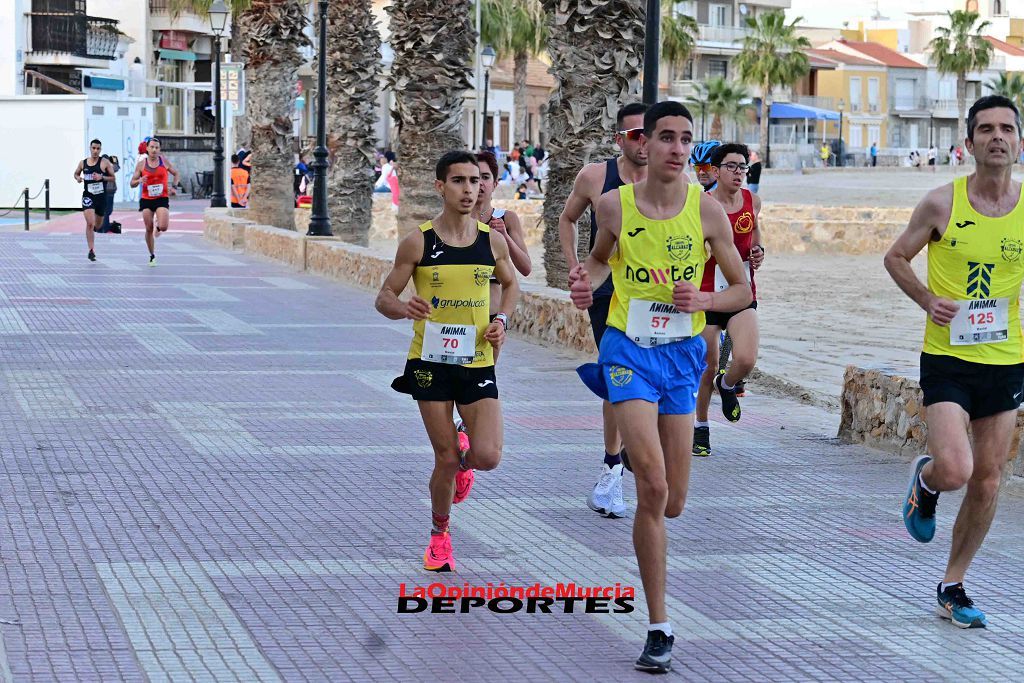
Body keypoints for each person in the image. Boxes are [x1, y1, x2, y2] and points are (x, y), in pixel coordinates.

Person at [570, 101, 751, 672]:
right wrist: (584, 283)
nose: (676, 148)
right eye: (666, 137)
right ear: (643, 144)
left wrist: (706, 300)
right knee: (649, 482)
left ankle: (656, 594)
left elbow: (742, 289)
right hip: (627, 351)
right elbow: (599, 263)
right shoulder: (613, 206)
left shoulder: (708, 214)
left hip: (681, 357)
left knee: (672, 501)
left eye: (686, 139)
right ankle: (658, 623)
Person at [884, 95, 1024, 630]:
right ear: (968, 144)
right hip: (947, 357)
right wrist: (926, 300)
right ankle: (927, 481)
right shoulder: (941, 204)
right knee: (957, 469)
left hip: (1006, 359)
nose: (996, 137)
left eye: (1005, 129)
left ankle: (953, 584)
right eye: (985, 129)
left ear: (1017, 142)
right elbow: (895, 256)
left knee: (989, 480)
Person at [375, 150, 520, 573]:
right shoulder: (418, 240)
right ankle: (439, 537)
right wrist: (406, 309)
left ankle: (465, 455)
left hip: (477, 361)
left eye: (475, 181)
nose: (469, 189)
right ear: (440, 187)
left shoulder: (491, 240)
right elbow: (384, 297)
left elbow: (511, 286)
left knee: (488, 455)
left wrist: (501, 320)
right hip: (430, 363)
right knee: (444, 459)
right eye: (459, 181)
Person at [558, 101, 649, 519]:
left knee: (645, 376)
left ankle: (635, 444)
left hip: (654, 297)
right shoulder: (596, 176)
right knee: (618, 374)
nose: (644, 142)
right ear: (620, 139)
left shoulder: (670, 182)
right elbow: (567, 219)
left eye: (652, 134)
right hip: (607, 292)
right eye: (635, 135)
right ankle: (612, 467)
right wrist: (576, 264)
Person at [692, 143, 764, 457]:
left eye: (743, 168)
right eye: (732, 166)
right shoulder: (701, 205)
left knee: (745, 359)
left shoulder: (752, 201)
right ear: (717, 170)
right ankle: (701, 426)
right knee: (708, 366)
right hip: (708, 295)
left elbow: (755, 236)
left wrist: (759, 252)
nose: (738, 173)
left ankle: (728, 383)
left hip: (741, 293)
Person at [474, 150, 531, 359]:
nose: (480, 183)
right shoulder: (455, 222)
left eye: (485, 177)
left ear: (495, 183)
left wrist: (504, 236)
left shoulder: (506, 218)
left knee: (486, 375)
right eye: (474, 178)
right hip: (459, 312)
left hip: (492, 315)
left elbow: (526, 267)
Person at [129, 137, 180, 266]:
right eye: (151, 147)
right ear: (147, 148)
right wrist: (139, 181)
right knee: (148, 228)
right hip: (147, 199)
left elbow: (176, 174)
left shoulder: (164, 161)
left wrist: (174, 187)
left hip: (161, 198)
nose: (154, 150)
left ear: (159, 149)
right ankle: (152, 255)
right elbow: (132, 183)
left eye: (156, 147)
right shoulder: (141, 165)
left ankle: (158, 226)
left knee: (163, 226)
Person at [74, 139, 116, 261]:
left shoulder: (105, 163)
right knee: (90, 223)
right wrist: (78, 178)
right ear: (90, 148)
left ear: (100, 149)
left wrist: (101, 177)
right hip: (88, 196)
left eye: (98, 149)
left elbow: (113, 178)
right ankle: (91, 250)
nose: (95, 151)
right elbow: (76, 173)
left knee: (98, 225)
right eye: (93, 148)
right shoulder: (83, 163)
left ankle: (95, 231)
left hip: (101, 198)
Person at [99, 154, 121, 234]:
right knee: (107, 212)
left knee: (107, 212)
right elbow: (116, 167)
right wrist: (114, 161)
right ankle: (103, 229)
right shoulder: (106, 167)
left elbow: (117, 168)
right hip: (107, 191)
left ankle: (103, 228)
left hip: (108, 191)